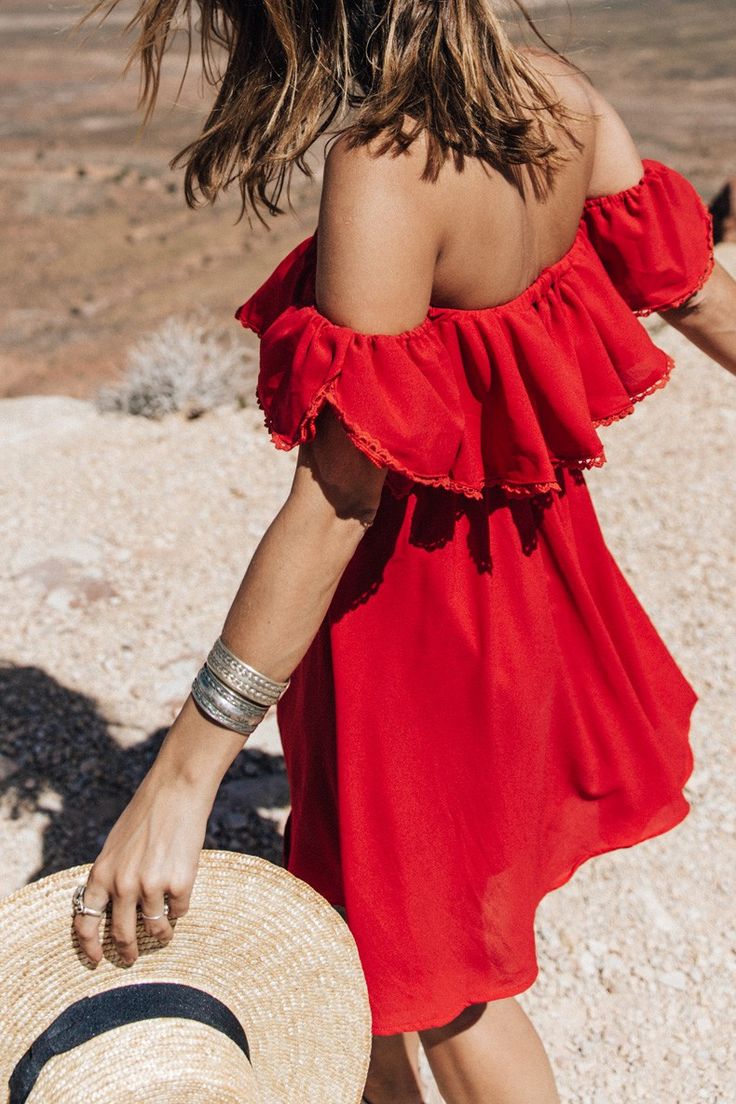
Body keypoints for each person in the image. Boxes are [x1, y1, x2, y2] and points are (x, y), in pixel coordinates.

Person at [71, 2, 736, 1102]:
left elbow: (339, 496)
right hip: (525, 598)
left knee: (447, 988)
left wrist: (183, 781)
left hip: (409, 636)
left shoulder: (384, 169)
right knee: (366, 955)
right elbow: (695, 288)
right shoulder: (558, 95)